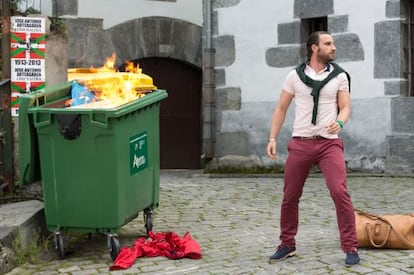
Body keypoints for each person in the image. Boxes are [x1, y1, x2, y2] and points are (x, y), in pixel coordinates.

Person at [266, 31, 360, 266]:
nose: (334, 47)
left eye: (333, 43)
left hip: (329, 143)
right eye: (328, 43)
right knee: (290, 196)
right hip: (301, 143)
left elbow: (346, 107)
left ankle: (350, 247)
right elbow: (281, 108)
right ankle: (287, 244)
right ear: (314, 48)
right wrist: (272, 138)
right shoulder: (294, 76)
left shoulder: (339, 76)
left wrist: (339, 122)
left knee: (340, 192)